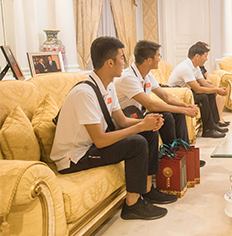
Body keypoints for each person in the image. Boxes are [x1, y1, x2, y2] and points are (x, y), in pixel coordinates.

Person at [51, 37, 175, 221]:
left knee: (149, 132)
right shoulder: (84, 94)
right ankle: (132, 205)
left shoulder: (108, 86)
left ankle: (148, 190)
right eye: (122, 58)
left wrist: (147, 123)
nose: (124, 62)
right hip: (74, 157)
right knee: (137, 143)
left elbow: (122, 121)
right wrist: (140, 125)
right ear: (110, 62)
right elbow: (100, 140)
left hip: (91, 145)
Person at [114, 40, 205, 167]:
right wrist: (183, 110)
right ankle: (172, 160)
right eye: (158, 56)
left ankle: (185, 156)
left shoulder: (147, 75)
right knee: (166, 116)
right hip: (127, 119)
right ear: (148, 60)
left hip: (140, 114)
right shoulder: (128, 78)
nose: (160, 59)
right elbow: (150, 104)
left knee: (177, 114)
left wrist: (185, 106)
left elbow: (165, 96)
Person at [169, 42, 228, 138]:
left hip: (187, 91)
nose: (206, 59)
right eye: (205, 56)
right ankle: (208, 130)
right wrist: (217, 90)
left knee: (210, 94)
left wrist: (217, 89)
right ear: (197, 56)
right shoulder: (186, 67)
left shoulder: (195, 67)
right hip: (178, 94)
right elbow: (198, 89)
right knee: (202, 97)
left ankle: (214, 124)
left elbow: (203, 83)